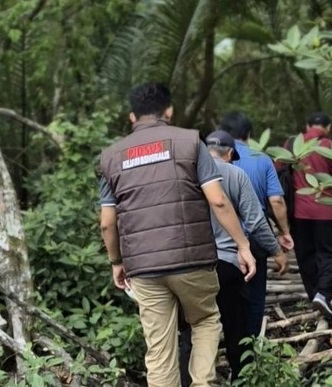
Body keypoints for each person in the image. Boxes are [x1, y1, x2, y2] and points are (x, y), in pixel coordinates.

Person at [97, 82, 256, 387]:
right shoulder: (190, 142)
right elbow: (218, 200)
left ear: (132, 117)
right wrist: (243, 245)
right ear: (169, 111)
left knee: (159, 348)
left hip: (143, 269)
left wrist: (116, 262)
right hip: (193, 261)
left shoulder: (111, 158)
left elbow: (107, 222)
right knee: (206, 320)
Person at [180, 130, 288, 385]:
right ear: (230, 154)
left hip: (191, 264)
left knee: (191, 330)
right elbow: (256, 221)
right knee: (236, 328)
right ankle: (240, 379)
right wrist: (276, 251)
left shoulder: (185, 174)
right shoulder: (235, 174)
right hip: (227, 265)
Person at [220, 112, 294, 336]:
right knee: (254, 294)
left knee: (225, 292)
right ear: (249, 135)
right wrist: (284, 232)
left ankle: (229, 338)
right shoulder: (261, 158)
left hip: (220, 237)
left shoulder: (207, 160)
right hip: (254, 235)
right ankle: (250, 343)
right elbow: (276, 200)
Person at [289, 112, 332, 320]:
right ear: (328, 127)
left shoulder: (292, 145)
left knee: (306, 255)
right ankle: (322, 293)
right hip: (326, 210)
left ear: (307, 125)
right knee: (330, 253)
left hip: (299, 212)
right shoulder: (331, 147)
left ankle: (314, 294)